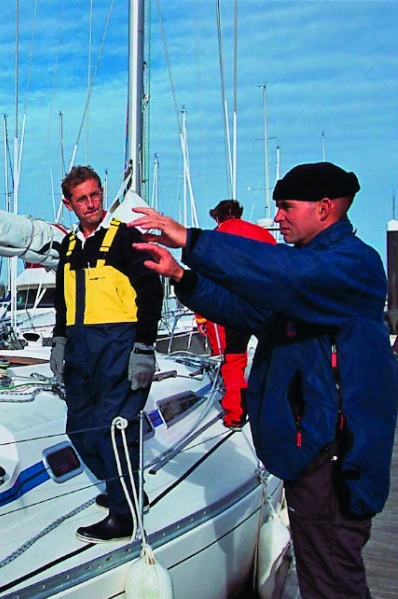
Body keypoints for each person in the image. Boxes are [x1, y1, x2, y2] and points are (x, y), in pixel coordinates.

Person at [129, 162, 398, 599]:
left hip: (333, 461)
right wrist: (183, 276)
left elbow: (285, 275)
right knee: (322, 576)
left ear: (325, 208)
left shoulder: (352, 266)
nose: (277, 218)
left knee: (333, 581)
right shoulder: (309, 273)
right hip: (311, 453)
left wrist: (191, 239)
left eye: (287, 207)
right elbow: (251, 313)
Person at [49, 166, 163, 542]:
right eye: (82, 199)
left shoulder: (125, 239)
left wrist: (144, 346)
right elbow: (63, 302)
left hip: (119, 345)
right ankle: (125, 491)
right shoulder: (68, 247)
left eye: (96, 195)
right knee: (80, 428)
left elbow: (151, 292)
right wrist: (59, 340)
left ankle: (124, 516)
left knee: (113, 429)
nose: (92, 204)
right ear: (69, 204)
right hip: (81, 351)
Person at [198, 199, 276, 429]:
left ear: (218, 217)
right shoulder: (263, 235)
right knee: (275, 356)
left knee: (233, 359)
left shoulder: (215, 238)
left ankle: (235, 414)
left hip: (233, 307)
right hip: (268, 303)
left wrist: (202, 316)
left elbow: (204, 279)